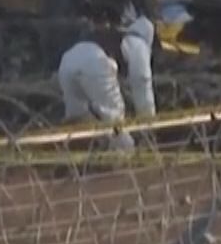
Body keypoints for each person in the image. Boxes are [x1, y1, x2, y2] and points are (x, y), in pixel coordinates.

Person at [56, 14, 155, 151]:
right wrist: (149, 123)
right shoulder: (139, 44)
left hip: (68, 60)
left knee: (78, 117)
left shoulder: (115, 37)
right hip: (96, 63)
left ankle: (73, 157)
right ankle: (127, 155)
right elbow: (142, 81)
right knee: (113, 116)